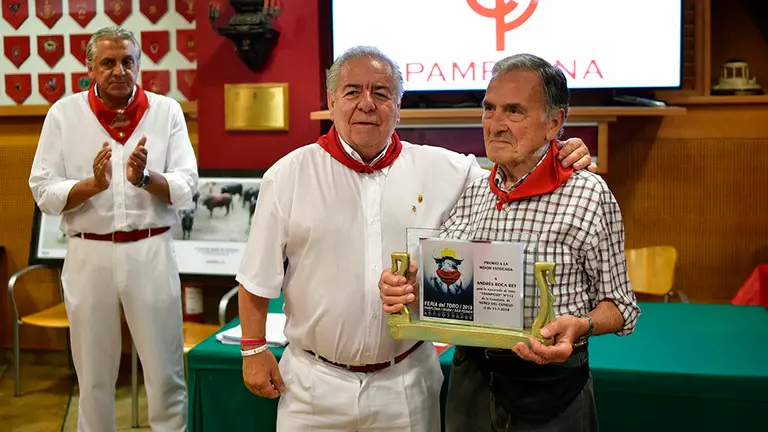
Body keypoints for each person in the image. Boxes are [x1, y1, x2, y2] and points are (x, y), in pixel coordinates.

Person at [235, 45, 595, 431]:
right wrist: (253, 349)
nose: (366, 104)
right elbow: (257, 277)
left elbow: (517, 176)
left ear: (398, 105)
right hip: (313, 386)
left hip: (406, 384)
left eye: (381, 93)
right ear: (331, 100)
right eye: (352, 91)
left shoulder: (449, 170)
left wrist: (558, 152)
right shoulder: (287, 176)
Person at [378, 53, 641, 432]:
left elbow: (622, 307)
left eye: (514, 111)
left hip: (550, 389)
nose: (496, 125)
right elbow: (443, 284)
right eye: (489, 109)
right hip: (470, 384)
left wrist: (581, 325)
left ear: (555, 122)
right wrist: (408, 287)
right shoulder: (472, 192)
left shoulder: (588, 194)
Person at [28, 26, 197, 432]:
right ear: (90, 67)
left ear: (138, 65)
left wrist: (143, 179)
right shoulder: (64, 115)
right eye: (108, 62)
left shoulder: (166, 111)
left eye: (127, 61)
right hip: (90, 253)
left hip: (151, 249)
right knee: (94, 378)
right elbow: (43, 190)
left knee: (166, 373)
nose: (119, 70)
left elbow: (187, 186)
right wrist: (92, 186)